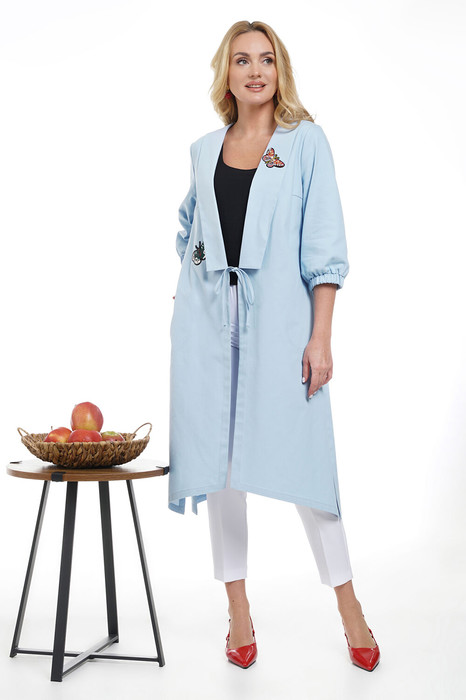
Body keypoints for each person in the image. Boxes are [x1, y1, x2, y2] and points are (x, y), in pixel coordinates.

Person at [169, 20, 380, 672]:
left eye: (266, 59)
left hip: (282, 327)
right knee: (221, 469)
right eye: (242, 60)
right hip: (208, 329)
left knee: (308, 469)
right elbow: (190, 229)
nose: (255, 70)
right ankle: (237, 609)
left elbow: (324, 245)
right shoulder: (205, 150)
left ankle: (349, 604)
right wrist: (192, 288)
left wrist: (321, 336)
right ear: (226, 74)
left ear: (279, 70)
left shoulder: (304, 143)